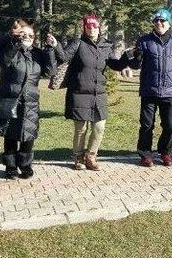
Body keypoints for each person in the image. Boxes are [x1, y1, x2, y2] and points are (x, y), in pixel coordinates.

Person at [53, 14, 129, 170]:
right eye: (88, 26)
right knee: (81, 129)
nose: (92, 28)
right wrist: (55, 45)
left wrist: (128, 56)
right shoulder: (78, 43)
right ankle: (78, 157)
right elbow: (64, 56)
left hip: (98, 94)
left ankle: (91, 156)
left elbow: (115, 64)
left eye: (94, 26)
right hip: (79, 92)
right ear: (84, 28)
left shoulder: (106, 46)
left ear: (99, 27)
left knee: (99, 127)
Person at [127, 8, 172, 167]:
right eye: (156, 21)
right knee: (147, 125)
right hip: (149, 90)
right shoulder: (144, 41)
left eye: (162, 21)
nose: (159, 23)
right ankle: (145, 154)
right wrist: (137, 58)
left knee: (170, 126)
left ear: (168, 23)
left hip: (169, 91)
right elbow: (135, 65)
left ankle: (165, 152)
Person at [0, 19, 57, 179]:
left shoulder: (38, 53)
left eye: (31, 35)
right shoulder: (11, 49)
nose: (27, 37)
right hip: (9, 97)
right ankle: (11, 166)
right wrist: (15, 43)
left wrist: (49, 49)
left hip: (30, 100)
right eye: (24, 34)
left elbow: (50, 71)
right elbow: (3, 61)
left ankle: (25, 164)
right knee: (10, 133)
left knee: (28, 134)